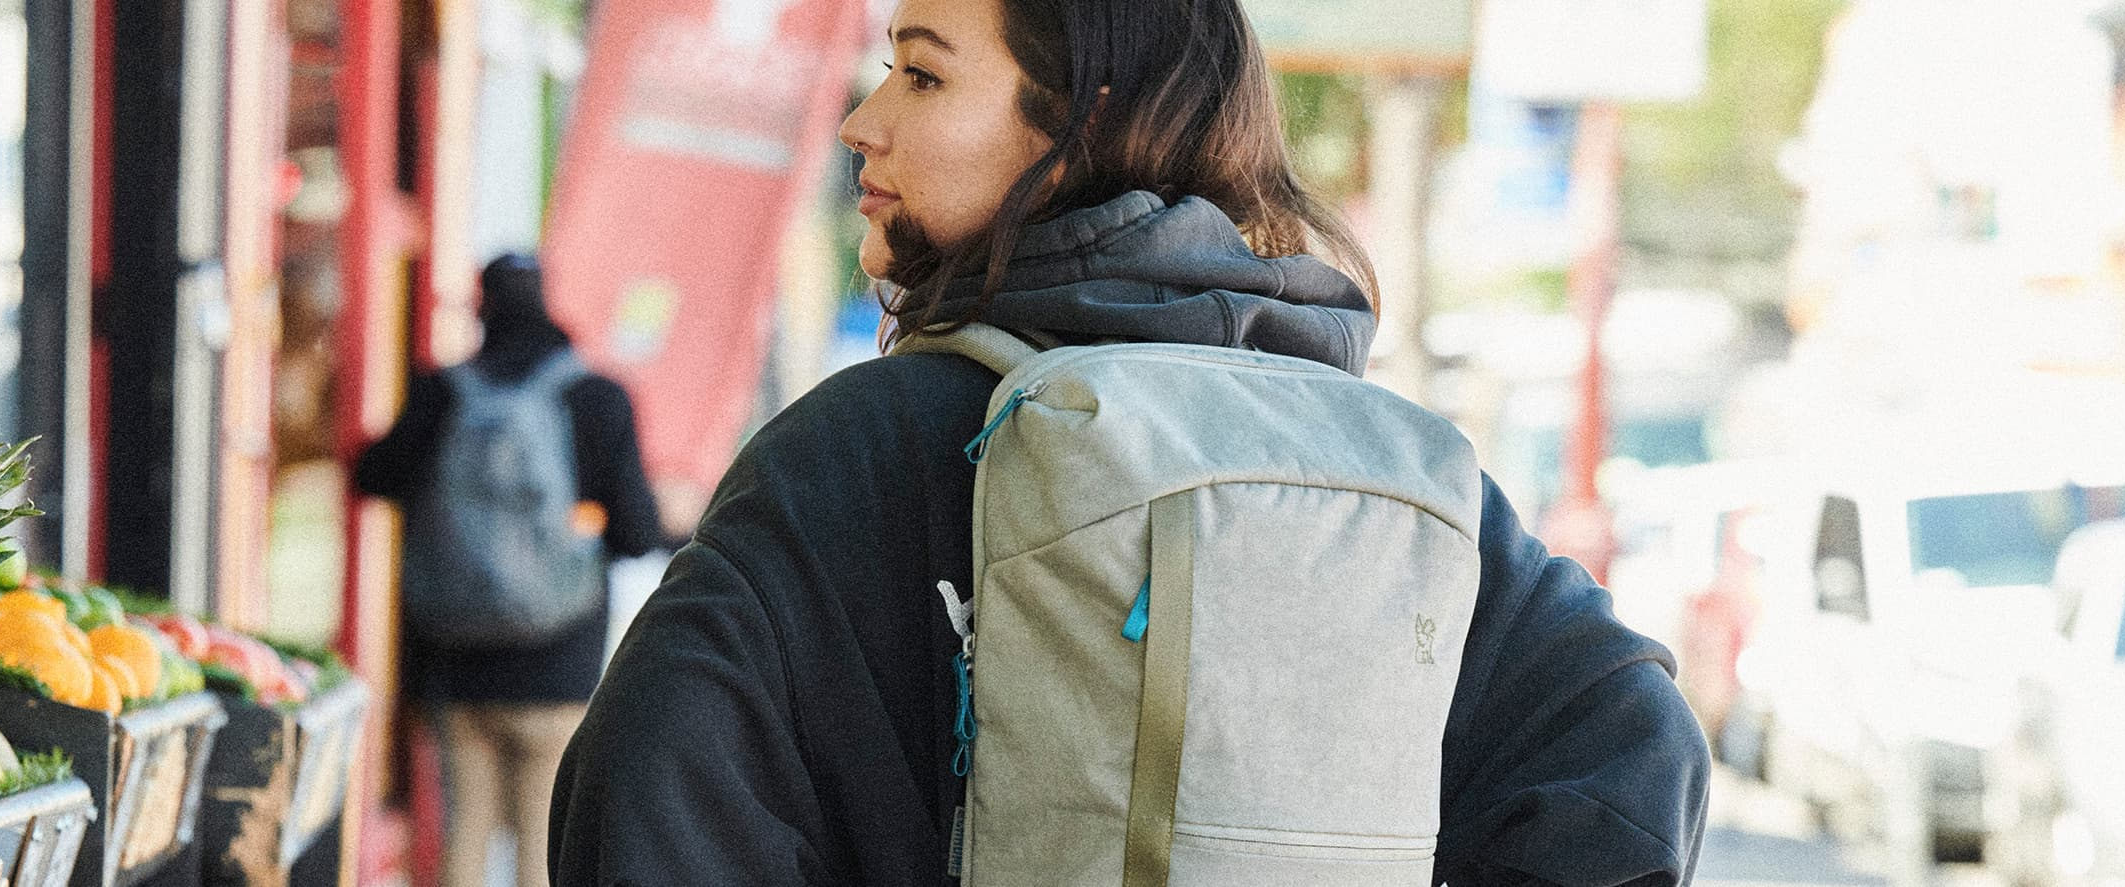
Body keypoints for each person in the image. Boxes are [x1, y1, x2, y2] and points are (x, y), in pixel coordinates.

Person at [547, 0, 1713, 882]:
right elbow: (1632, 742)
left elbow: (640, 796)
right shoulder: (1381, 460)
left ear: (1083, 120)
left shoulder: (853, 449)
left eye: (918, 73)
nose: (864, 120)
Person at [357, 253, 666, 887]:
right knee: (545, 844)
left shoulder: (442, 393)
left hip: (455, 662)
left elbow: (372, 474)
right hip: (560, 663)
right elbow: (639, 535)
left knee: (462, 839)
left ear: (481, 307)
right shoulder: (598, 399)